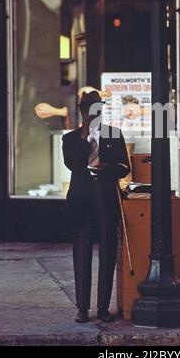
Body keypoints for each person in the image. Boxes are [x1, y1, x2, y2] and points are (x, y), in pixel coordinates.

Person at [62, 90, 130, 323]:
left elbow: (124, 167)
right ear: (81, 112)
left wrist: (108, 169)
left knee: (107, 254)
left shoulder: (114, 134)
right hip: (81, 201)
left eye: (97, 110)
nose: (93, 114)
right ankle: (82, 308)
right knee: (81, 254)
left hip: (106, 201)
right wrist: (84, 134)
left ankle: (102, 308)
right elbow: (72, 163)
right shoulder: (70, 139)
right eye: (88, 110)